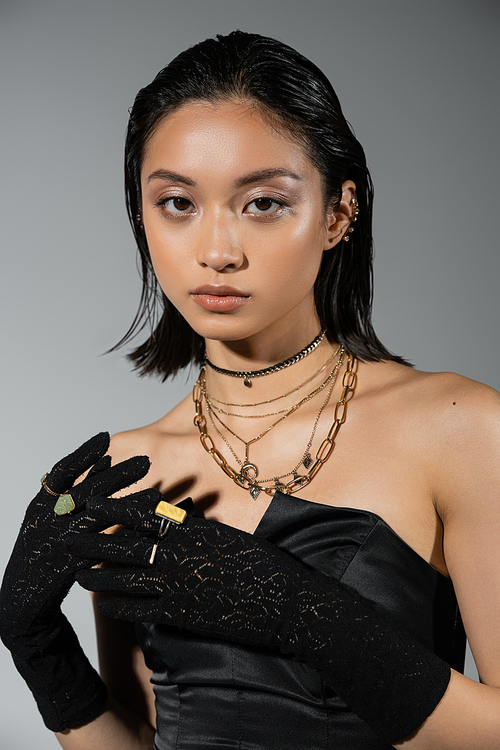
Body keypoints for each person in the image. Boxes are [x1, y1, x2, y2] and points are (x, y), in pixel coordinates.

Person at [2, 30, 500, 750]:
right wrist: (38, 650)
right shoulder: (127, 471)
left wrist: (307, 616)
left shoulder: (459, 429)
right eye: (177, 203)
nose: (216, 250)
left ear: (337, 214)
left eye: (262, 203)